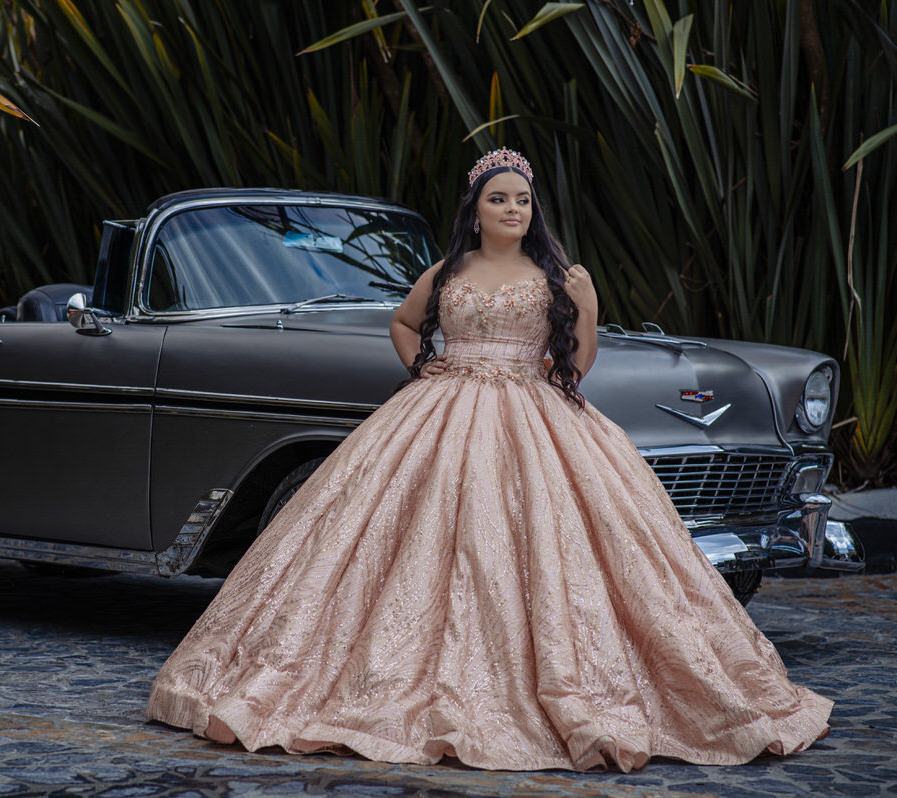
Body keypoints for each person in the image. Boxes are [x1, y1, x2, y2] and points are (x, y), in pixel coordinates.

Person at [145, 148, 832, 772]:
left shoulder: (555, 276)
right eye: (498, 199)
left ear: (533, 212)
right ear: (475, 212)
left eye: (522, 200)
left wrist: (588, 308)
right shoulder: (448, 271)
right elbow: (403, 321)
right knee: (403, 539)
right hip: (442, 406)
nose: (512, 209)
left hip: (534, 413)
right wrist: (425, 368)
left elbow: (576, 367)